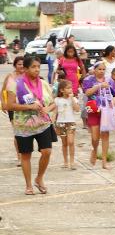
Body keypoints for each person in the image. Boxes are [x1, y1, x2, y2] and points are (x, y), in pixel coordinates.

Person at [8, 55, 56, 195]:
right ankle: (28, 185)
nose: (36, 70)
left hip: (42, 123)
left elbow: (53, 103)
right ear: (26, 69)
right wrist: (29, 107)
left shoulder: (44, 83)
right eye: (33, 67)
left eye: (38, 67)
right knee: (26, 155)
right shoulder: (16, 84)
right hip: (23, 126)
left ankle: (39, 178)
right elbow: (9, 105)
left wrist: (48, 108)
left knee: (47, 151)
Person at [81, 60, 115, 169]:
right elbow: (87, 93)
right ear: (94, 70)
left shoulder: (109, 80)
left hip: (106, 111)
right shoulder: (88, 80)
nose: (101, 71)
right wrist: (99, 86)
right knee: (95, 137)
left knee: (105, 136)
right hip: (94, 110)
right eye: (99, 69)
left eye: (103, 69)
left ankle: (104, 161)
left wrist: (114, 99)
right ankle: (94, 150)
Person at [54, 79, 79, 169]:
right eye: (68, 88)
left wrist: (72, 98)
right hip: (60, 123)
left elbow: (77, 109)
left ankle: (72, 162)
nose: (70, 90)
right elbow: (55, 112)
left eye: (71, 88)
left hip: (71, 122)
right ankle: (65, 161)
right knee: (64, 144)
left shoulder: (73, 99)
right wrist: (52, 123)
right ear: (61, 90)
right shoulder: (57, 100)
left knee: (71, 142)